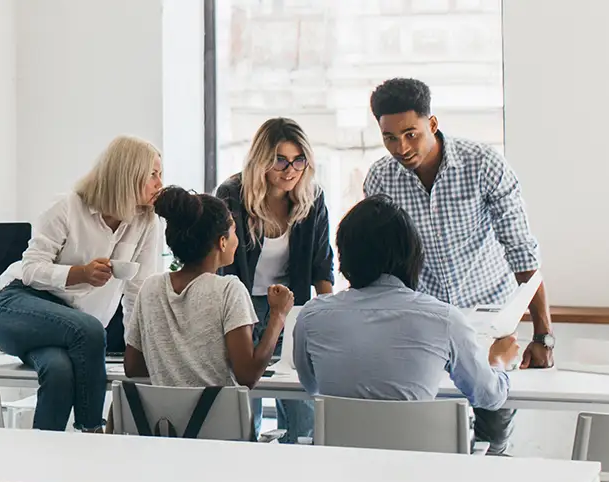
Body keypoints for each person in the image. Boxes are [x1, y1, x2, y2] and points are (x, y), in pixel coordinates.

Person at [361, 78, 554, 455]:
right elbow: (381, 260)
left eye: (411, 134)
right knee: (428, 434)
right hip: (424, 322)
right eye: (390, 138)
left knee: (493, 434)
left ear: (432, 124)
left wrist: (543, 334)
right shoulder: (381, 179)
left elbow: (521, 250)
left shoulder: (482, 165)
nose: (401, 148)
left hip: (490, 320)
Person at [0, 135, 165, 432]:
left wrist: (137, 350)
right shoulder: (68, 208)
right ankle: (92, 431)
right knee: (91, 329)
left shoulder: (146, 222)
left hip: (72, 331)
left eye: (160, 174)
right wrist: (79, 274)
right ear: (128, 174)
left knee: (58, 371)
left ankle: (44, 454)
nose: (160, 184)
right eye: (153, 174)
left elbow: (137, 292)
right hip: (19, 305)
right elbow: (30, 269)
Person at [290, 196, 513, 429]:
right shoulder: (445, 319)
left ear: (344, 257)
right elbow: (489, 397)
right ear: (413, 256)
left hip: (338, 449)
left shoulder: (312, 316)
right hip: (417, 451)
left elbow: (311, 386)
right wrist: (498, 361)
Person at [214, 117, 333, 443]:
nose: (290, 170)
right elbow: (219, 261)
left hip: (291, 307)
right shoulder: (232, 194)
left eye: (298, 160)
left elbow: (322, 265)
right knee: (244, 405)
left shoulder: (312, 198)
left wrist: (325, 318)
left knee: (301, 409)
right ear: (262, 160)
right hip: (241, 306)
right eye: (280, 160)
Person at [121, 187, 284, 395]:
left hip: (165, 415)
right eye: (233, 231)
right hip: (217, 415)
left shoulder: (150, 288)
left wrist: (176, 361)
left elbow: (133, 367)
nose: (237, 240)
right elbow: (247, 376)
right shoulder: (229, 290)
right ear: (222, 242)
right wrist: (278, 315)